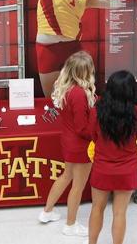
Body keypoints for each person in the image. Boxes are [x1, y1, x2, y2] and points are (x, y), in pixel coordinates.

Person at [38, 51, 96, 237]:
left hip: (69, 141)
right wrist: (97, 132)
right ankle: (70, 224)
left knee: (66, 176)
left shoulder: (66, 88)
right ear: (84, 72)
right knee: (77, 186)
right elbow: (82, 128)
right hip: (81, 144)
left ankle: (47, 212)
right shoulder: (79, 94)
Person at [87, 70, 137, 244]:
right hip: (127, 168)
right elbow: (136, 136)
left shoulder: (97, 111)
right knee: (120, 213)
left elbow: (93, 136)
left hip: (102, 166)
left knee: (97, 208)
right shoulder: (136, 112)